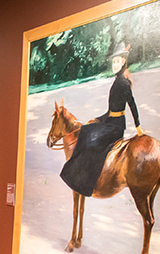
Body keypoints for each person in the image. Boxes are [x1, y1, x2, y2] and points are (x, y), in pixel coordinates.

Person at [59, 41, 145, 197]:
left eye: (117, 61)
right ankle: (77, 176)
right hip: (109, 123)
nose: (115, 64)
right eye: (113, 62)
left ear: (123, 62)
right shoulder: (116, 82)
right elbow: (111, 111)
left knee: (91, 142)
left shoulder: (123, 83)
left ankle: (89, 181)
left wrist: (138, 127)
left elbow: (131, 104)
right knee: (85, 130)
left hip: (116, 128)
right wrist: (97, 119)